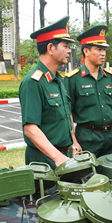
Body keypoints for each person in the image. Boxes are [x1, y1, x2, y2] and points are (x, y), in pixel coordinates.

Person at [19, 16, 78, 169]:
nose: (69, 50)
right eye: (65, 46)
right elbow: (30, 129)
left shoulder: (58, 79)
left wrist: (73, 143)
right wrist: (58, 158)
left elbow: (65, 116)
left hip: (63, 156)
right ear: (51, 48)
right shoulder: (33, 82)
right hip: (44, 162)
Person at [64, 25, 112, 157]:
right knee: (88, 176)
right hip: (86, 137)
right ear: (86, 51)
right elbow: (67, 112)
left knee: (110, 173)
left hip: (109, 137)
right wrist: (73, 141)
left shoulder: (110, 78)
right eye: (98, 49)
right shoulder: (73, 79)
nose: (103, 53)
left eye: (104, 49)